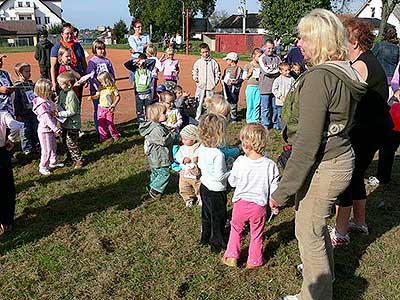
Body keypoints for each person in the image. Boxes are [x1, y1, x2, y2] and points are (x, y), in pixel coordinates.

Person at [269, 9, 367, 300]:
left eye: (304, 37)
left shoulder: (319, 78)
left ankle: (316, 295)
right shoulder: (343, 68)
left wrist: (281, 192)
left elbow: (307, 144)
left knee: (308, 231)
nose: (299, 42)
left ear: (321, 40)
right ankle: (325, 278)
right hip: (338, 157)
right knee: (314, 224)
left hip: (326, 163)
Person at [330, 18, 394, 246]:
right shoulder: (367, 61)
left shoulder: (360, 66)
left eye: (341, 40)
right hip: (375, 128)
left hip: (368, 130)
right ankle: (359, 221)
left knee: (345, 176)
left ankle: (341, 232)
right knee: (356, 174)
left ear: (354, 42)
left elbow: (340, 97)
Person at [222, 123, 279, 269]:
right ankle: (254, 261)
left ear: (246, 145)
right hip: (259, 206)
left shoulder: (240, 162)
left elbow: (233, 182)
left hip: (240, 203)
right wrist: (273, 201)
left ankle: (232, 257)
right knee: (257, 233)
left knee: (236, 230)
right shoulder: (270, 165)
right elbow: (274, 186)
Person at [197, 113, 230, 253]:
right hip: (217, 190)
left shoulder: (201, 148)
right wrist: (232, 170)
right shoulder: (218, 154)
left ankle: (205, 237)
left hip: (204, 186)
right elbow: (219, 176)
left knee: (206, 214)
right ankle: (217, 243)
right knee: (219, 217)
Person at [139, 103, 174, 199]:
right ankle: (155, 190)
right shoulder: (157, 129)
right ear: (156, 116)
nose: (166, 114)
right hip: (160, 156)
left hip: (154, 156)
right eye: (163, 113)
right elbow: (163, 141)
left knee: (156, 172)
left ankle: (152, 185)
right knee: (164, 173)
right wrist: (172, 135)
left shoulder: (152, 126)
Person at [32, 78, 64, 176]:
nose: (52, 91)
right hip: (45, 131)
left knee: (53, 146)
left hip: (49, 130)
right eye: (49, 90)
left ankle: (53, 162)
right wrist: (56, 129)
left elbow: (51, 110)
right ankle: (43, 166)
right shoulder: (41, 105)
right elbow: (47, 119)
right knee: (47, 149)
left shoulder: (47, 100)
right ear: (43, 91)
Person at [0, 110, 23, 234]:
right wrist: (11, 138)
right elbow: (16, 125)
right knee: (6, 188)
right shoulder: (3, 114)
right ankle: (7, 221)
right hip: (2, 154)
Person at [86, 39, 116, 134]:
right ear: (94, 49)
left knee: (108, 108)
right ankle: (100, 129)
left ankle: (109, 127)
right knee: (98, 110)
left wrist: (112, 83)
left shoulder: (107, 61)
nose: (102, 51)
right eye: (99, 49)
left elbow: (112, 73)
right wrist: (97, 87)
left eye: (103, 48)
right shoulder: (92, 62)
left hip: (108, 91)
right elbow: (91, 76)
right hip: (97, 91)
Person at [50, 23, 87, 97]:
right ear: (62, 34)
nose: (69, 36)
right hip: (64, 82)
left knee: (77, 103)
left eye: (71, 33)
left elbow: (83, 62)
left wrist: (85, 76)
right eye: (67, 33)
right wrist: (54, 83)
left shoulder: (77, 46)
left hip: (77, 79)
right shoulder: (57, 47)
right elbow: (53, 67)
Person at [57, 72, 84, 169]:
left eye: (60, 84)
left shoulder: (71, 95)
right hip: (64, 123)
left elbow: (72, 111)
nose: (59, 86)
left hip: (72, 124)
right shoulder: (62, 93)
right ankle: (70, 157)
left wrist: (59, 114)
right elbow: (59, 103)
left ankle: (78, 160)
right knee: (65, 141)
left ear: (68, 85)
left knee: (72, 142)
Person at [13, 62, 39, 155]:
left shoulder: (31, 84)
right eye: (27, 71)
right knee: (25, 131)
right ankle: (27, 148)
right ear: (20, 73)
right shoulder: (17, 86)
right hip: (23, 113)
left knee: (35, 128)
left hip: (32, 111)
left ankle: (36, 145)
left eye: (29, 71)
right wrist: (17, 114)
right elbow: (16, 101)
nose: (29, 73)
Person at [87, 72, 120, 143]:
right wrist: (92, 97)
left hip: (109, 108)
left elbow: (117, 97)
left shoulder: (113, 87)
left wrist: (114, 104)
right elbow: (97, 96)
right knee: (101, 123)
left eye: (101, 82)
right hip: (101, 108)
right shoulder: (100, 88)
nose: (100, 83)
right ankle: (103, 138)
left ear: (106, 80)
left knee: (110, 123)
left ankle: (115, 135)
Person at [124, 53, 156, 122]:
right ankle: (141, 122)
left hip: (148, 93)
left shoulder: (148, 69)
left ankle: (149, 121)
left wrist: (144, 61)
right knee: (139, 110)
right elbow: (126, 64)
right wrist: (135, 61)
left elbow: (153, 61)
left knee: (148, 109)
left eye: (141, 63)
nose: (140, 65)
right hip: (138, 93)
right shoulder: (135, 69)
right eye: (139, 63)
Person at [192, 43, 221, 120]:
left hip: (210, 86)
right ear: (200, 53)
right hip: (201, 85)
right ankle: (197, 117)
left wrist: (215, 81)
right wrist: (196, 78)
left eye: (207, 51)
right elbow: (195, 71)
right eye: (203, 52)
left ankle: (210, 117)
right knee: (199, 101)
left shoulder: (213, 62)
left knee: (210, 102)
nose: (205, 54)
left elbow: (217, 72)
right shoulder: (198, 62)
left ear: (209, 51)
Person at [175, 124, 201, 207]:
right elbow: (177, 156)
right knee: (183, 186)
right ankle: (188, 198)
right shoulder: (182, 148)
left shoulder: (199, 147)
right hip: (184, 171)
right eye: (182, 139)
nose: (183, 141)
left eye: (186, 139)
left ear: (194, 139)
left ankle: (200, 197)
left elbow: (204, 156)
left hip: (196, 172)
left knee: (198, 185)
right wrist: (183, 159)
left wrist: (198, 159)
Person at [259, 39, 281, 129]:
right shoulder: (262, 58)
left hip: (275, 87)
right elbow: (267, 71)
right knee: (265, 107)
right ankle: (265, 124)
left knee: (274, 107)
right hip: (265, 87)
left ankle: (274, 123)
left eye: (272, 48)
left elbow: (281, 68)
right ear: (264, 47)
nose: (270, 50)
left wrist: (276, 71)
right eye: (268, 48)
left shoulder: (277, 58)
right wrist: (276, 71)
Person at [272, 62, 295, 131]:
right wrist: (280, 97)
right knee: (280, 115)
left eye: (288, 70)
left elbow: (294, 88)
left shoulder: (292, 79)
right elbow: (274, 90)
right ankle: (280, 128)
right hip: (280, 102)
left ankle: (286, 128)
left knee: (288, 115)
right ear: (280, 71)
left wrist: (291, 96)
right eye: (285, 70)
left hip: (288, 102)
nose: (288, 72)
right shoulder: (278, 80)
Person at [222, 52, 243, 122]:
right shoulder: (227, 69)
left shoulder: (238, 69)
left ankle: (233, 117)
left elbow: (241, 78)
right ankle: (227, 116)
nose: (226, 61)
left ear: (231, 60)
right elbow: (223, 77)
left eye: (227, 60)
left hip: (234, 89)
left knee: (233, 102)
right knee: (226, 101)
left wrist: (236, 82)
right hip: (226, 88)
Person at [243, 48, 262, 123]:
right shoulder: (248, 65)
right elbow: (244, 77)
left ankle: (255, 119)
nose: (260, 58)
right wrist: (249, 73)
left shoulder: (261, 66)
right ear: (254, 56)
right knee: (250, 104)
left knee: (257, 104)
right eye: (259, 56)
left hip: (259, 87)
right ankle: (249, 120)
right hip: (251, 87)